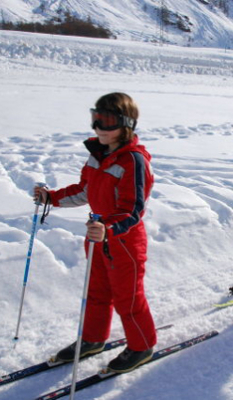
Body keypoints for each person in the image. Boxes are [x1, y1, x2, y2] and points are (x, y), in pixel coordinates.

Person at [34, 92, 157, 373]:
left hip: (123, 240)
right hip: (96, 236)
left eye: (108, 121)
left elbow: (134, 209)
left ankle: (142, 346)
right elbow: (84, 190)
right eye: (96, 119)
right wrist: (50, 198)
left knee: (128, 297)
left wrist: (109, 228)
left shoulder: (133, 161)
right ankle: (93, 339)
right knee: (96, 292)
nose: (100, 128)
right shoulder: (96, 157)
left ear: (126, 125)